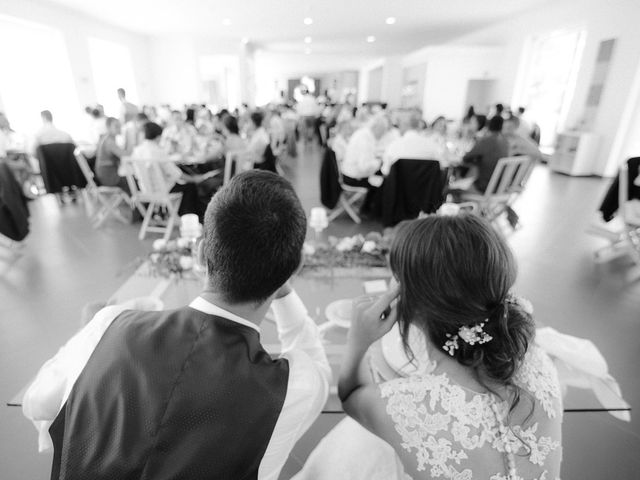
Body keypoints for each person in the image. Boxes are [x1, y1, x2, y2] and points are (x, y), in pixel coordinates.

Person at [22, 170, 331, 479]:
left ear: (199, 252)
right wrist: (282, 283)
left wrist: (87, 342)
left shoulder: (108, 326)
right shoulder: (289, 390)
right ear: (296, 267)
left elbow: (37, 404)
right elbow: (315, 360)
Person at [296, 214, 562, 480]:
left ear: (409, 300)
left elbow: (350, 395)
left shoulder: (407, 409)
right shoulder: (539, 365)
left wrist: (358, 339)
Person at [131, 122, 217, 220]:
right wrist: (194, 179)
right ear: (158, 136)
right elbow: (176, 174)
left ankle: (165, 214)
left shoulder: (137, 151)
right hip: (162, 190)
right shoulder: (158, 151)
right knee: (190, 187)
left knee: (183, 183)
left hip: (145, 189)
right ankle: (186, 217)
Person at [381, 111, 446, 175]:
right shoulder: (432, 146)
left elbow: (385, 171)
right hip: (425, 185)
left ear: (403, 126)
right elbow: (442, 165)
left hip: (400, 185)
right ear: (419, 126)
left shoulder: (393, 146)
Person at [459, 115, 509, 193]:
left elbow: (466, 157)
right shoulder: (505, 141)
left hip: (483, 186)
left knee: (448, 189)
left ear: (488, 125)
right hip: (498, 186)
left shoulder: (488, 140)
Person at [341, 114, 389, 186]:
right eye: (383, 132)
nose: (382, 135)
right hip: (354, 178)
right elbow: (364, 167)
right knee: (385, 185)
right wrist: (379, 162)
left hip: (351, 174)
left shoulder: (364, 133)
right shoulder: (365, 139)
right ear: (377, 128)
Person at [95, 117, 129, 193]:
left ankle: (134, 201)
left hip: (105, 174)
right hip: (108, 177)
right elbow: (124, 154)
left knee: (130, 177)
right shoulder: (109, 141)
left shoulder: (107, 138)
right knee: (131, 180)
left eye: (120, 126)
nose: (119, 128)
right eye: (116, 126)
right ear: (108, 128)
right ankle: (138, 202)